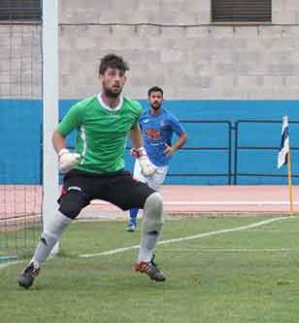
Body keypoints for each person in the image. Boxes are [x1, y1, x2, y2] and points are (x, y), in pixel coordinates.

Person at [18, 54, 167, 289]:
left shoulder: (133, 108)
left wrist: (142, 154)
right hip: (83, 175)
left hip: (115, 177)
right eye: (111, 74)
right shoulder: (83, 108)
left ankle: (144, 260)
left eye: (120, 75)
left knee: (155, 201)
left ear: (125, 80)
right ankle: (33, 265)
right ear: (101, 77)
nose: (116, 79)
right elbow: (58, 134)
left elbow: (134, 128)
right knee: (64, 214)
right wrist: (63, 154)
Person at [126, 86, 187, 232]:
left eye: (158, 97)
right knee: (135, 188)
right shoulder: (143, 116)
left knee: (150, 196)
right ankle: (132, 221)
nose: (156, 99)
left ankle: (150, 222)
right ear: (148, 99)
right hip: (143, 159)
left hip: (161, 162)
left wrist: (173, 148)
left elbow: (184, 136)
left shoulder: (169, 118)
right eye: (153, 97)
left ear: (162, 99)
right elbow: (136, 132)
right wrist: (136, 147)